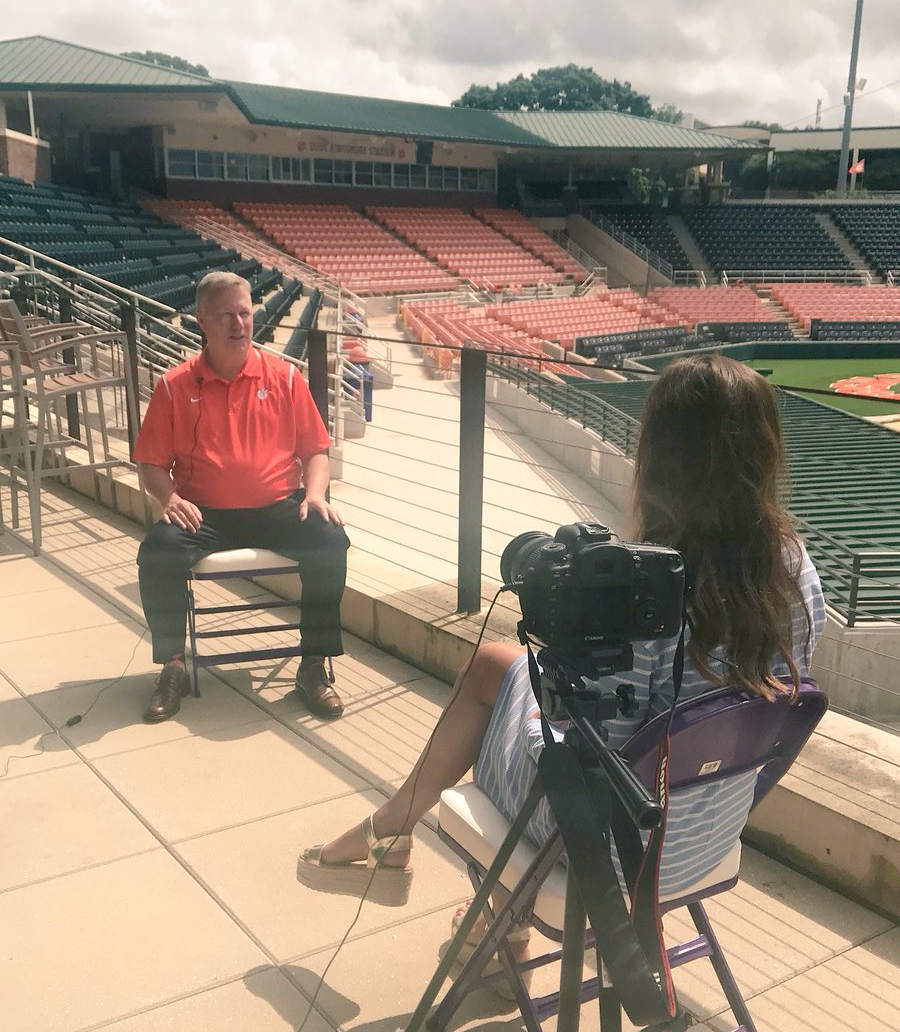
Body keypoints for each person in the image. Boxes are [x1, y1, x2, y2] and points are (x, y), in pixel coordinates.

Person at [297, 354, 826, 933]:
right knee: (496, 665)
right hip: (708, 836)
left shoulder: (644, 594)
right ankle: (461, 898)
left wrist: (539, 698)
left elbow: (585, 753)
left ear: (661, 457)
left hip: (611, 851)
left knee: (497, 692)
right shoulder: (797, 573)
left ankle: (428, 866)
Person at [134, 271, 350, 724]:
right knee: (157, 550)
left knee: (329, 538)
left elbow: (316, 451)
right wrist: (168, 498)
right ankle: (174, 665)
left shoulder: (285, 377)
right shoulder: (174, 385)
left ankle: (313, 665)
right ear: (201, 321)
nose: (239, 324)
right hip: (204, 513)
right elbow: (151, 463)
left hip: (276, 506)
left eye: (245, 313)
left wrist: (315, 494)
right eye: (226, 315)